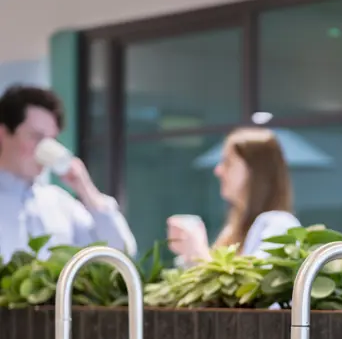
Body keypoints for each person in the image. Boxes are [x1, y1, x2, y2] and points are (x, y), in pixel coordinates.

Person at [0, 85, 136, 260]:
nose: (44, 148)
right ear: (3, 134)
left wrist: (87, 190)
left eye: (52, 139)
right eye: (36, 137)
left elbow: (121, 253)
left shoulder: (59, 203)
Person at [167, 127, 300, 264]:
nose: (218, 171)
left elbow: (252, 282)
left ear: (254, 170)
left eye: (228, 163)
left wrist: (198, 252)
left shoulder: (280, 224)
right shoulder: (233, 229)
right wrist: (188, 254)